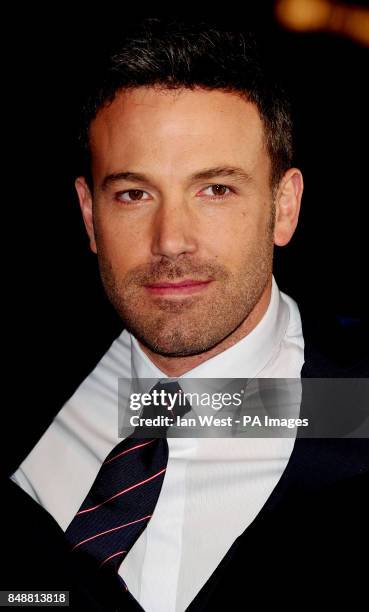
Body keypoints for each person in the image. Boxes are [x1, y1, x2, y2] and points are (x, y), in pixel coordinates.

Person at [3, 16, 368, 612]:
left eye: (216, 190)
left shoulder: (353, 414)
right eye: (133, 194)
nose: (171, 240)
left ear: (285, 207)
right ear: (90, 216)